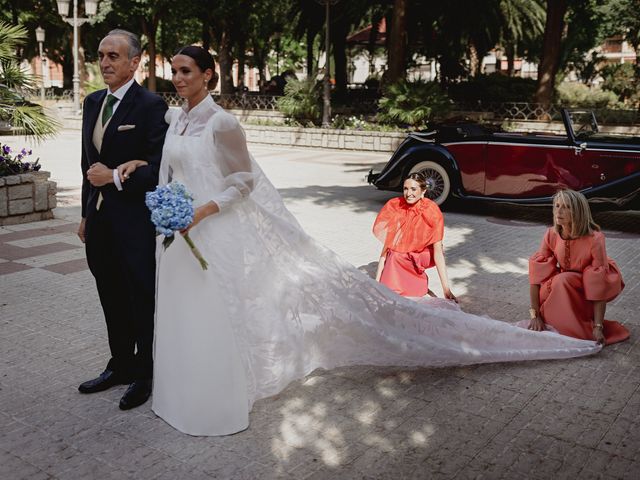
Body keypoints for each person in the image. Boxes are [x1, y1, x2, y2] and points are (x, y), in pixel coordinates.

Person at [119, 46, 602, 437]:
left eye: (186, 71)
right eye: (174, 71)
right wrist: (164, 204)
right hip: (178, 234)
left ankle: (211, 405)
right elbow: (171, 170)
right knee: (181, 310)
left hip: (212, 229)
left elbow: (242, 182)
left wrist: (201, 211)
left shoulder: (223, 122)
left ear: (208, 74)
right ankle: (178, 395)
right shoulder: (173, 119)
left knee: (211, 313)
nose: (178, 78)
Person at [77, 29, 168, 410]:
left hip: (134, 224)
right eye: (101, 55)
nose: (105, 63)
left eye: (114, 56)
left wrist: (113, 176)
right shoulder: (92, 102)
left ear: (135, 62)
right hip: (99, 224)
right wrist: (85, 214)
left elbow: (158, 169)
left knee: (139, 299)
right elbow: (86, 166)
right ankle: (120, 365)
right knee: (110, 296)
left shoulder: (151, 105)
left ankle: (145, 373)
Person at [528, 189, 629, 345]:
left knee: (563, 279)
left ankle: (580, 328)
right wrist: (535, 316)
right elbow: (536, 276)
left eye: (566, 207)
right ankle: (556, 318)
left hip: (584, 296)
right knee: (560, 280)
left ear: (577, 211)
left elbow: (598, 284)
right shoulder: (551, 234)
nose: (558, 211)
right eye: (556, 205)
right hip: (556, 290)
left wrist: (598, 326)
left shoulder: (595, 239)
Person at [373, 173, 456, 300]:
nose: (408, 193)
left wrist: (446, 289)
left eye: (413, 189)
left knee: (401, 256)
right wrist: (377, 282)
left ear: (423, 191)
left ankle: (415, 284)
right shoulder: (397, 206)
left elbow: (438, 252)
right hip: (406, 249)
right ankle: (404, 287)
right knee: (395, 255)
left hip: (426, 254)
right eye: (405, 189)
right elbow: (386, 248)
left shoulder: (432, 211)